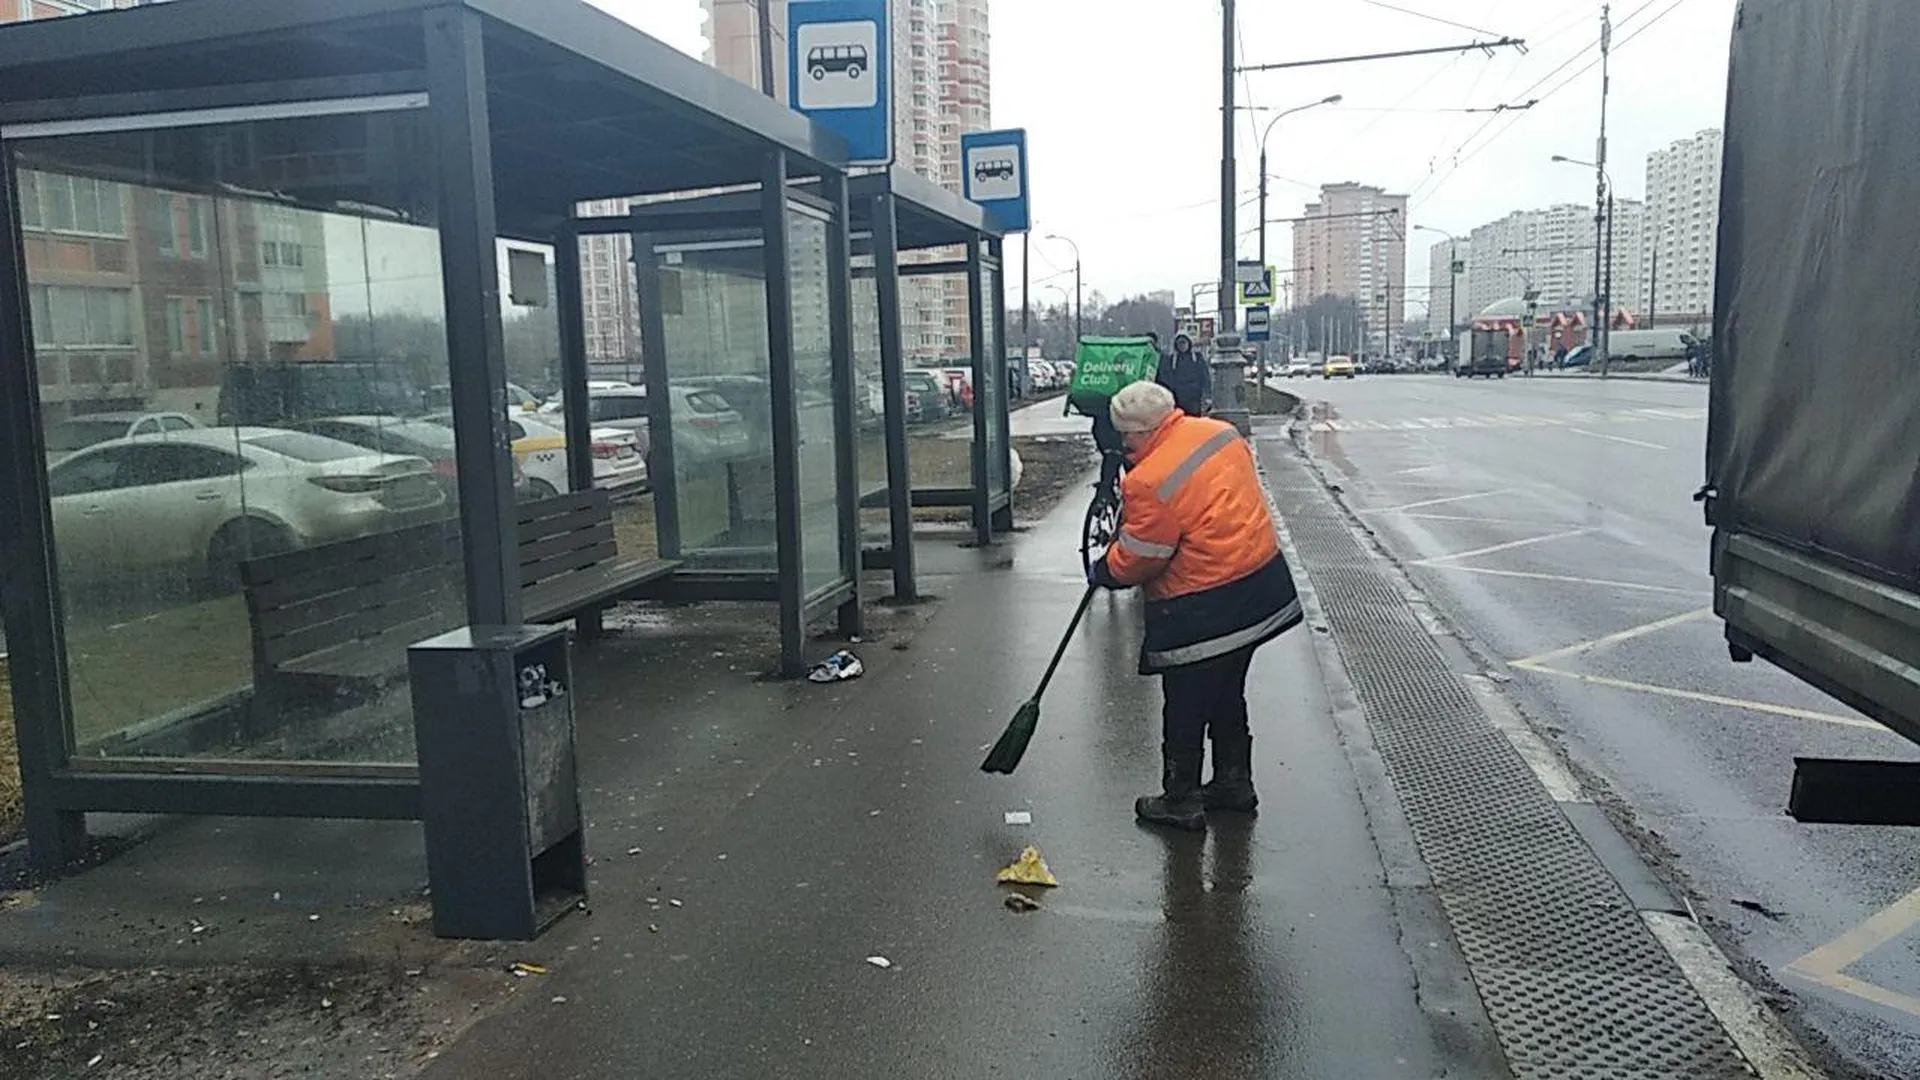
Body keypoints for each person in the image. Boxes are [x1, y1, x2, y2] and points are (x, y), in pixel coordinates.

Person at [1087, 381, 1304, 832]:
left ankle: (1181, 799)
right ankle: (1233, 783)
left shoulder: (1150, 479)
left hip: (1202, 604)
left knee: (1184, 701)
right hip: (1257, 585)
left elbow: (1143, 556)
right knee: (1227, 689)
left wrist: (1106, 570)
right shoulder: (1220, 434)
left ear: (1146, 431)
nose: (1122, 444)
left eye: (1125, 436)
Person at [1156, 333, 1210, 418]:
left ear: (1189, 343)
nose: (1182, 346)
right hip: (1178, 398)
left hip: (1194, 397)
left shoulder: (1197, 357)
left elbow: (1204, 376)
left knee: (1194, 420)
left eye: (1184, 343)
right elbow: (1167, 377)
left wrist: (1206, 394)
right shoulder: (1172, 359)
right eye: (1180, 343)